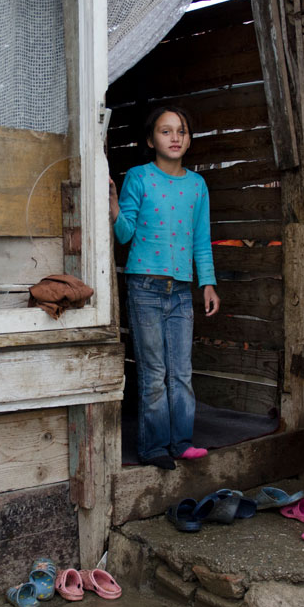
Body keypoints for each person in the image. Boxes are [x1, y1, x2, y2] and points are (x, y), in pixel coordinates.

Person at [109, 107, 220, 470]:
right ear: (149, 140)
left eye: (181, 131)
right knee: (154, 373)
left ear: (189, 139)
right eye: (165, 131)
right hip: (144, 286)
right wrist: (113, 210)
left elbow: (202, 241)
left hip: (182, 290)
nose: (175, 137)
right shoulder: (139, 178)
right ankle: (154, 447)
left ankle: (181, 443)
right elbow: (125, 234)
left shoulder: (197, 186)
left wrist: (208, 284)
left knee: (182, 373)